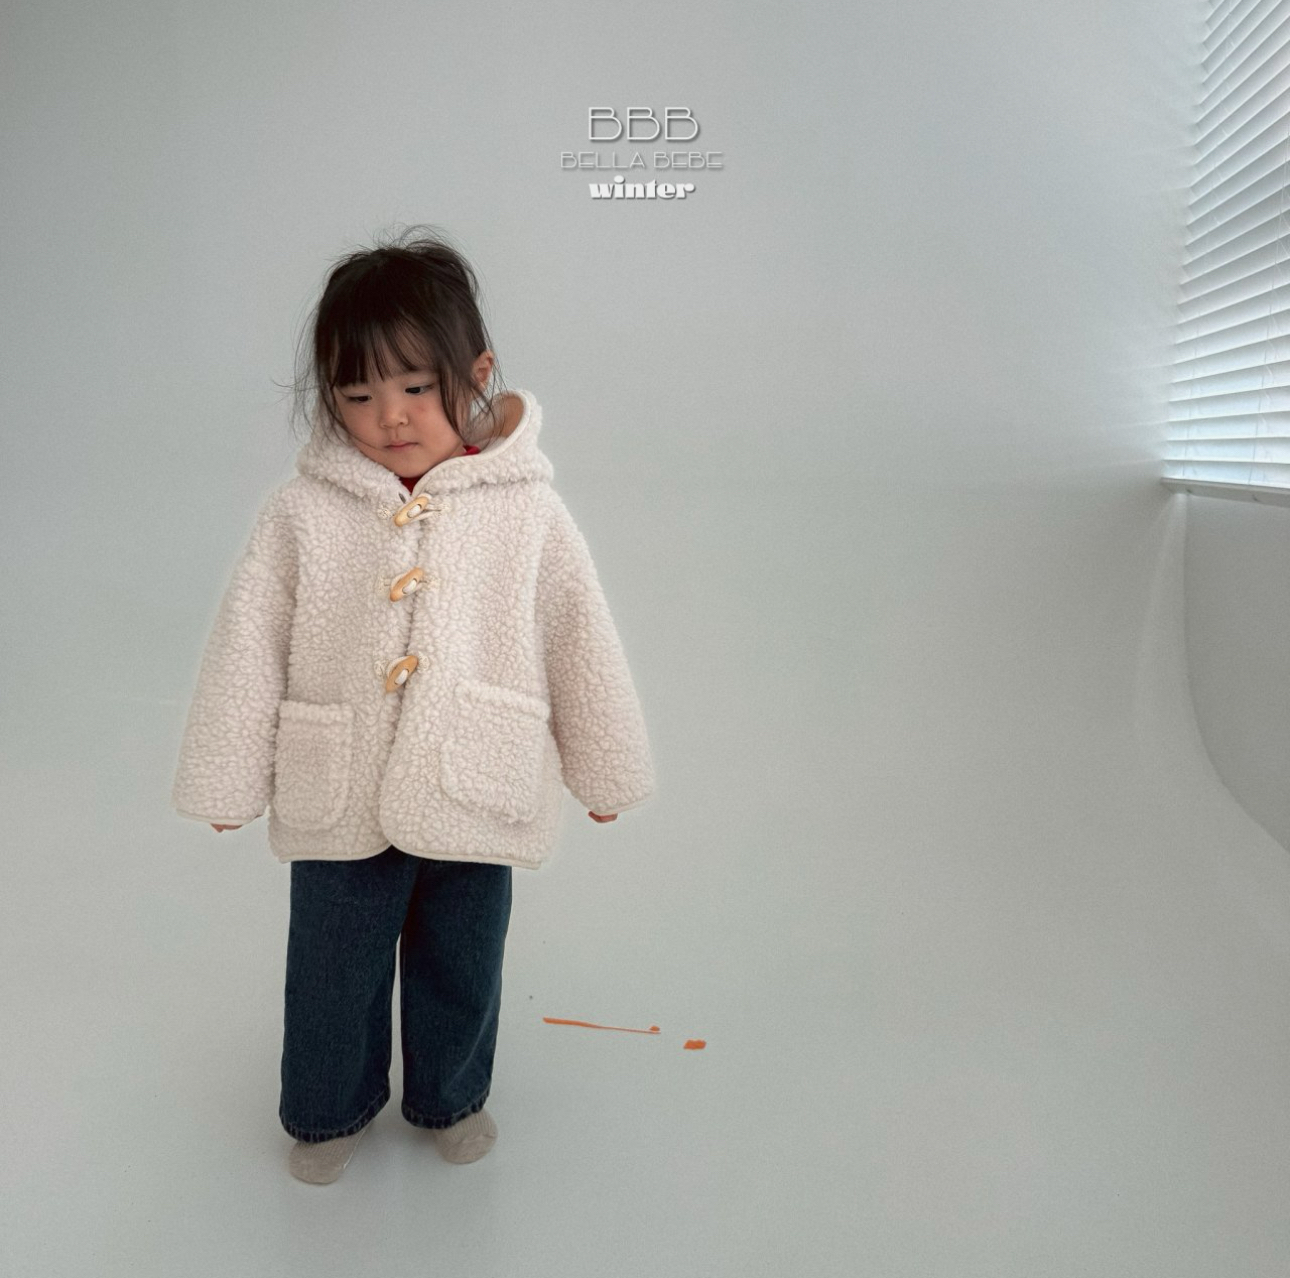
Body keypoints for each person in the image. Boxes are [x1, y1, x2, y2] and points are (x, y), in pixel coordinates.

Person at [169, 225, 656, 1185]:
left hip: (478, 778)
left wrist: (604, 769)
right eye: (356, 395)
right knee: (331, 968)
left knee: (462, 963)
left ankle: (451, 1096)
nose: (388, 417)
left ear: (475, 373)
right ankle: (328, 1110)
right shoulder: (301, 512)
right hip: (339, 784)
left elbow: (578, 636)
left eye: (416, 387)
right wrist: (229, 777)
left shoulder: (526, 506)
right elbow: (249, 642)